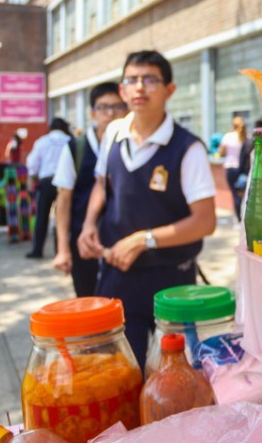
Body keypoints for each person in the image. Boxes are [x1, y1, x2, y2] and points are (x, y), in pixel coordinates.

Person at [78, 50, 216, 372]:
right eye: (132, 80)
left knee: (177, 378)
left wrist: (145, 239)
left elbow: (205, 221)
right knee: (116, 373)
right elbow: (102, 184)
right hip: (117, 274)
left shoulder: (188, 148)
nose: (140, 87)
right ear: (123, 90)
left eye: (150, 79)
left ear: (169, 90)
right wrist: (88, 225)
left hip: (170, 278)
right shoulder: (113, 133)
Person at [52, 83, 128, 296]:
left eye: (118, 106)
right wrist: (63, 249)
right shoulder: (76, 148)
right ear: (92, 113)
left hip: (123, 242)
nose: (111, 113)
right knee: (89, 305)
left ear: (127, 109)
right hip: (84, 242)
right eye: (103, 107)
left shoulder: (134, 145)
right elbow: (64, 200)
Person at [25, 118, 72, 258]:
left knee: (42, 216)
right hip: (65, 183)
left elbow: (32, 164)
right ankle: (61, 251)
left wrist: (32, 178)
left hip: (46, 182)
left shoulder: (42, 141)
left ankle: (37, 250)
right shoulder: (70, 140)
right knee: (63, 217)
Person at [219, 116, 247, 221]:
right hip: (242, 169)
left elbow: (221, 152)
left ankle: (239, 219)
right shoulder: (245, 137)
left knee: (235, 194)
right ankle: (243, 217)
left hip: (231, 168)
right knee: (243, 194)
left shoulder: (228, 137)